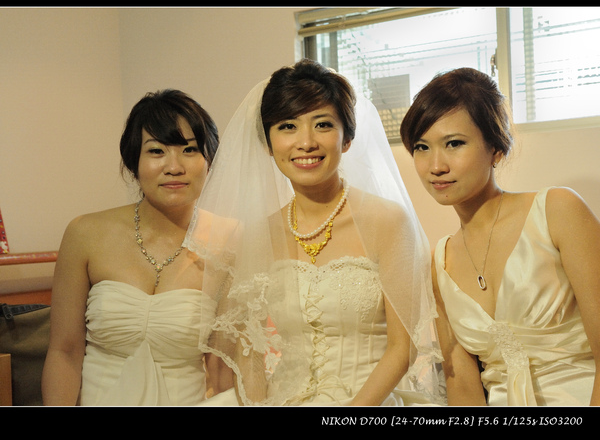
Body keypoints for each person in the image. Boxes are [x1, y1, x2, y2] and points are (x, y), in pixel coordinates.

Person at [184, 59, 445, 406]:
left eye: (322, 124)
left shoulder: (387, 222)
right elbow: (250, 353)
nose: (305, 142)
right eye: (287, 126)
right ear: (268, 143)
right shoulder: (261, 234)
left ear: (346, 138)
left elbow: (403, 348)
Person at [400, 67, 600, 406]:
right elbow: (462, 386)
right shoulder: (440, 263)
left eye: (454, 143)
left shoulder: (557, 211)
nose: (436, 166)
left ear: (495, 147)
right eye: (421, 147)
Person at [41, 89, 230, 405]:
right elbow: (65, 350)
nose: (174, 167)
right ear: (134, 161)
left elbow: (223, 366)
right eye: (157, 151)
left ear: (209, 160)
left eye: (190, 149)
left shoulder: (230, 241)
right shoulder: (85, 233)